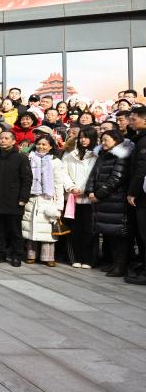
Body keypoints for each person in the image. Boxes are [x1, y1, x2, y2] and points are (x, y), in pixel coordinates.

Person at [87, 130, 134, 277]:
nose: (103, 143)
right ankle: (114, 263)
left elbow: (116, 178)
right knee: (110, 235)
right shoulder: (103, 156)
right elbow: (93, 175)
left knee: (119, 235)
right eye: (102, 140)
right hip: (105, 202)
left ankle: (121, 266)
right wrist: (90, 191)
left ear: (116, 140)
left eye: (106, 140)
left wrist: (99, 194)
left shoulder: (121, 156)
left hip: (116, 201)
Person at [0, 130, 32, 267]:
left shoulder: (21, 157)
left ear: (13, 141)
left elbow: (27, 179)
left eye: (6, 138)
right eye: (1, 138)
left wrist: (23, 198)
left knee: (15, 230)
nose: (3, 140)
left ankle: (16, 255)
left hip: (14, 200)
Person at [22, 135, 69, 266]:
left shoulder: (55, 162)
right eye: (39, 144)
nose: (41, 147)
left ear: (50, 146)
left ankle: (48, 257)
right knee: (30, 226)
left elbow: (59, 184)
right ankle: (31, 254)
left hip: (48, 198)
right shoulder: (29, 159)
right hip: (32, 197)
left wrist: (59, 206)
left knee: (48, 230)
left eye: (44, 145)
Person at [62, 127, 97, 268]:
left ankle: (89, 259)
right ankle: (76, 257)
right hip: (73, 198)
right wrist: (71, 187)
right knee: (74, 229)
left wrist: (87, 190)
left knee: (89, 229)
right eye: (81, 136)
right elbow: (63, 173)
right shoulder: (70, 156)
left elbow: (97, 175)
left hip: (90, 198)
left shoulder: (97, 156)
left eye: (87, 137)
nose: (83, 139)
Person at [126, 106, 146, 285]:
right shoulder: (138, 138)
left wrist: (133, 192)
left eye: (133, 119)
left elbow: (141, 169)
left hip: (142, 195)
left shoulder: (143, 141)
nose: (130, 122)